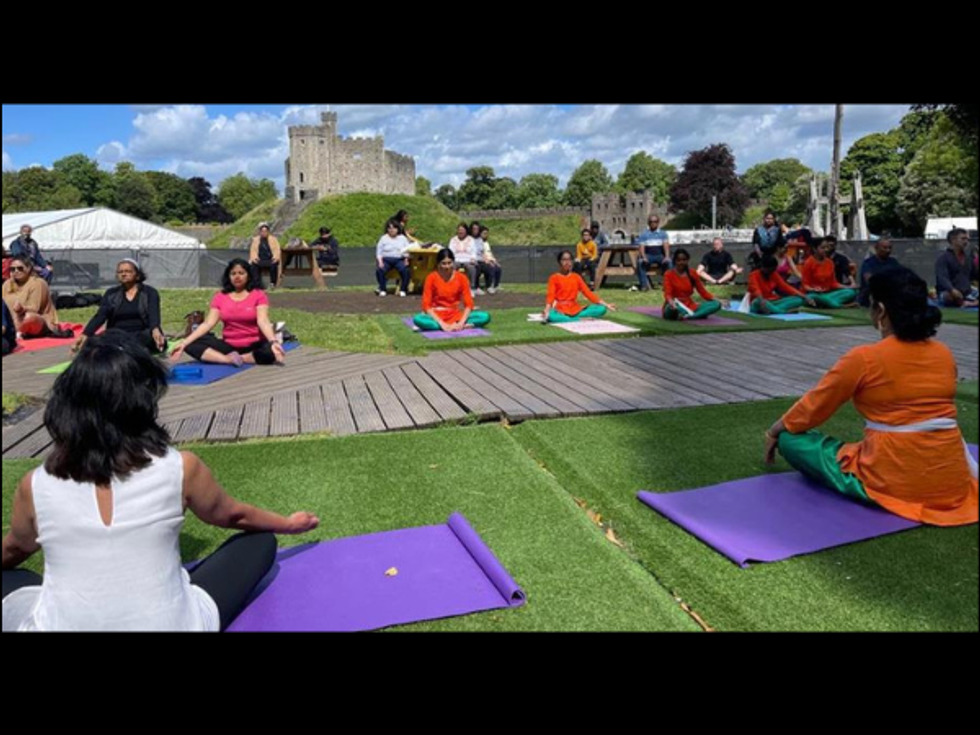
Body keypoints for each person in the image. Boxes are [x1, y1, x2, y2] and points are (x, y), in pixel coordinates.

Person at [1, 332, 319, 632]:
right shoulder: (180, 467)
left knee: (13, 577)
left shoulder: (36, 484)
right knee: (259, 542)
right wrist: (288, 524)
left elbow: (15, 548)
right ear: (142, 401)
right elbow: (233, 516)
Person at [764, 267, 977, 527]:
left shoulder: (864, 358)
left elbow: (814, 406)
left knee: (791, 440)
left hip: (892, 476)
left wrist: (775, 431)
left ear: (881, 311)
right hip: (951, 478)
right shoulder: (944, 353)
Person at [170, 259, 286, 367]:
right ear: (228, 276)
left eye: (241, 273)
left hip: (254, 345)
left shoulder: (258, 295)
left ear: (248, 275)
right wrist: (184, 343)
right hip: (229, 346)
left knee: (270, 353)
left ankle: (242, 358)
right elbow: (208, 324)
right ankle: (227, 359)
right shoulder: (220, 297)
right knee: (192, 343)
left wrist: (273, 342)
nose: (237, 277)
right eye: (233, 274)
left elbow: (263, 321)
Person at [73, 259, 167, 355]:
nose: (123, 274)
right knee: (94, 342)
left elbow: (154, 315)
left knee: (146, 338)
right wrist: (86, 334)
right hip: (116, 334)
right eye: (120, 272)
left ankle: (127, 349)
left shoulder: (149, 292)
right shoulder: (111, 294)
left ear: (137, 275)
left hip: (141, 333)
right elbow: (100, 316)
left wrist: (155, 329)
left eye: (128, 271)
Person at [413, 249, 491, 332]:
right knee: (418, 319)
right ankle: (450, 326)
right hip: (437, 314)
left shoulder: (461, 278)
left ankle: (457, 326)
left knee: (485, 317)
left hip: (456, 314)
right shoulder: (431, 278)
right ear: (438, 264)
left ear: (453, 262)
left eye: (449, 263)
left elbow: (469, 304)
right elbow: (426, 306)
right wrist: (442, 323)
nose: (447, 267)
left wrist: (461, 322)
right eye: (443, 263)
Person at [1, 256, 69, 338]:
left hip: (36, 319)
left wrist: (22, 308)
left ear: (29, 268)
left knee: (29, 317)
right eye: (12, 269)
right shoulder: (6, 284)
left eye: (20, 268)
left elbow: (35, 308)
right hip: (10, 320)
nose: (16, 271)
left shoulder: (38, 283)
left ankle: (16, 332)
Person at [544, 250, 616, 323]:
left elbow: (588, 293)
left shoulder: (576, 277)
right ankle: (577, 319)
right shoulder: (554, 278)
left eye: (569, 260)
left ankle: (572, 317)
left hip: (575, 309)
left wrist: (606, 305)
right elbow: (550, 295)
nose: (567, 262)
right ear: (559, 262)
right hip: (560, 309)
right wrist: (547, 310)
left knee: (601, 309)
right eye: (564, 260)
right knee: (551, 316)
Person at [662, 249, 722, 320]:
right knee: (672, 309)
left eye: (684, 260)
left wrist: (718, 300)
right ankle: (695, 315)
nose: (681, 262)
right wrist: (671, 303)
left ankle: (690, 316)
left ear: (687, 260)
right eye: (679, 260)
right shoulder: (668, 274)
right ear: (675, 261)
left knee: (716, 304)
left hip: (690, 306)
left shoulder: (692, 273)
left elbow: (703, 292)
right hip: (674, 304)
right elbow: (668, 293)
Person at [747, 254, 817, 314]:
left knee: (798, 299)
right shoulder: (753, 275)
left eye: (773, 270)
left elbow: (786, 287)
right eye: (769, 270)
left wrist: (805, 297)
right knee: (758, 301)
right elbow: (756, 290)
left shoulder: (773, 274)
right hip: (759, 302)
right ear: (762, 267)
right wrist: (762, 301)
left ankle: (773, 310)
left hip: (773, 301)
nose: (771, 273)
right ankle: (782, 312)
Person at [801, 238, 858, 308]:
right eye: (822, 248)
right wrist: (813, 289)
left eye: (827, 247)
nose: (826, 250)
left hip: (828, 294)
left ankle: (826, 304)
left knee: (851, 292)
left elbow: (833, 283)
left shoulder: (830, 262)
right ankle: (841, 306)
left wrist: (848, 287)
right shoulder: (809, 263)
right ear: (814, 249)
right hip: (814, 294)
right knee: (813, 297)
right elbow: (805, 285)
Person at [935, 227, 979, 308]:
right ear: (953, 240)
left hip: (967, 291)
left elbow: (975, 275)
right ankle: (969, 302)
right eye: (963, 239)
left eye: (967, 239)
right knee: (949, 297)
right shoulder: (943, 258)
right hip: (949, 292)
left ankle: (970, 303)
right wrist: (952, 290)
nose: (966, 242)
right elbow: (942, 278)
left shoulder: (968, 258)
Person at [858, 237, 901, 307]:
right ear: (876, 248)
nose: (888, 250)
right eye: (884, 248)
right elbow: (869, 280)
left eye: (890, 248)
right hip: (872, 294)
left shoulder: (893, 262)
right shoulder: (868, 263)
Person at [375, 219, 411, 297]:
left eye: (394, 228)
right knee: (380, 270)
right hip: (386, 259)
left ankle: (403, 289)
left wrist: (406, 259)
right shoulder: (383, 238)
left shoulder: (402, 238)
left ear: (397, 229)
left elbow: (407, 250)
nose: (392, 230)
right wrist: (380, 262)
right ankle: (383, 289)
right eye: (389, 228)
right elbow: (379, 251)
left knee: (405, 270)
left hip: (399, 259)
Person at [636, 215, 671, 291]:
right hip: (649, 255)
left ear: (658, 223)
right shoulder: (644, 234)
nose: (653, 223)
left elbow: (666, 246)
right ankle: (644, 285)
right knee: (640, 262)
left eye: (655, 221)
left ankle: (668, 285)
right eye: (651, 222)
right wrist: (644, 257)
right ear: (648, 223)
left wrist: (667, 256)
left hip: (659, 255)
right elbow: (641, 247)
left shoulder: (663, 234)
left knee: (669, 262)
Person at [248, 223, 281, 290]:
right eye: (262, 231)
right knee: (253, 265)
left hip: (270, 260)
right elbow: (253, 251)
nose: (264, 233)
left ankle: (273, 283)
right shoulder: (255, 240)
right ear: (260, 232)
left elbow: (277, 250)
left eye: (265, 231)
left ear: (268, 232)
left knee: (274, 265)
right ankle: (256, 284)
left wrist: (275, 257)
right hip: (260, 260)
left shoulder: (273, 239)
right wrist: (254, 258)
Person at [449, 223, 478, 291]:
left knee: (471, 268)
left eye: (462, 230)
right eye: (459, 230)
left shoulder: (471, 240)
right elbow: (450, 251)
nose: (460, 232)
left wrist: (473, 259)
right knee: (451, 267)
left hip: (468, 260)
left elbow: (474, 251)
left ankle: (472, 287)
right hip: (456, 259)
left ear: (466, 231)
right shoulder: (453, 240)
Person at [476, 226, 502, 294]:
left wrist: (495, 261)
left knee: (498, 268)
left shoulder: (486, 243)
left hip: (490, 260)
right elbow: (482, 254)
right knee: (491, 268)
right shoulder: (479, 243)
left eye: (487, 233)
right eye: (484, 233)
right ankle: (489, 286)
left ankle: (496, 285)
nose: (486, 235)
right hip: (484, 261)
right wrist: (488, 261)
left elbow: (490, 253)